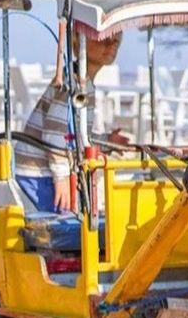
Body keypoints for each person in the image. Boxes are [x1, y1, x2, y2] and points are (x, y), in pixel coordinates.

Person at [13, 32, 124, 212]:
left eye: (116, 42)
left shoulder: (83, 83)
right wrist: (62, 177)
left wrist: (106, 140)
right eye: (105, 39)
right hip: (37, 173)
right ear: (78, 42)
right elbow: (54, 134)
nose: (112, 46)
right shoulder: (72, 83)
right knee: (69, 226)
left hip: (43, 170)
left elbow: (74, 135)